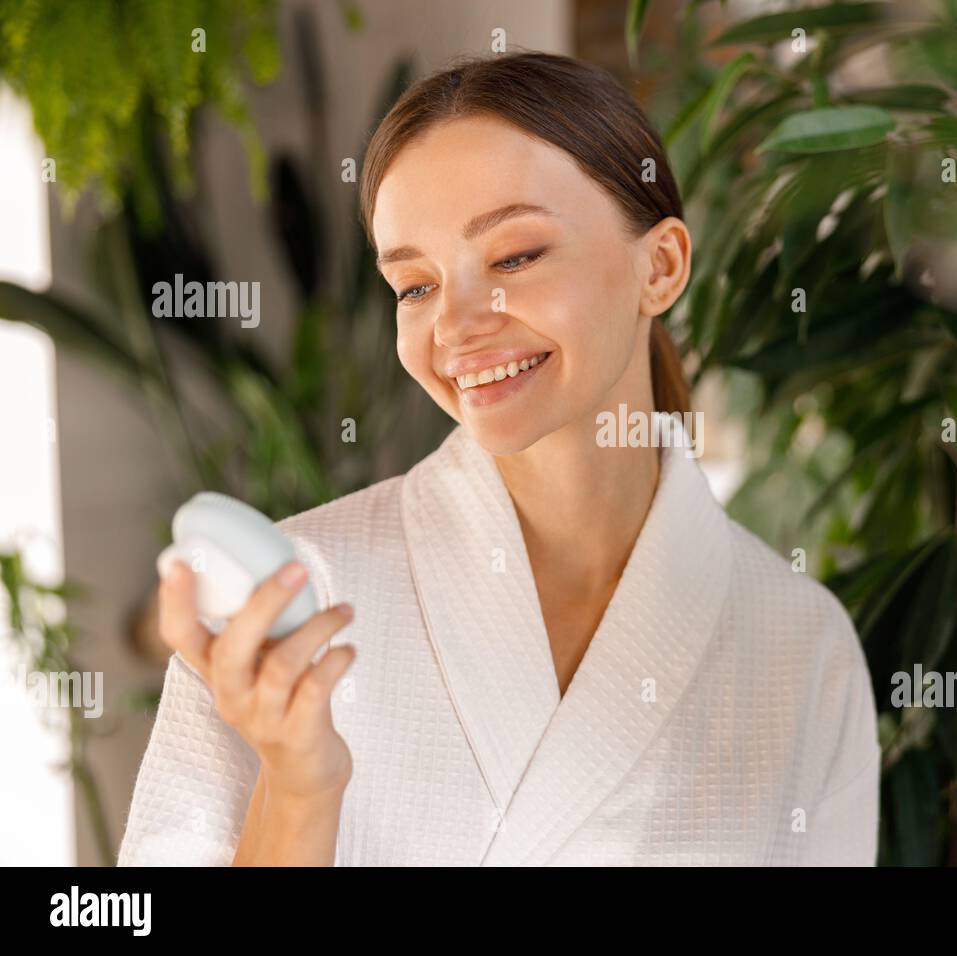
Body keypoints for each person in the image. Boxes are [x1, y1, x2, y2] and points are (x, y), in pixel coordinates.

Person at [118, 50, 879, 866]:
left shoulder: (799, 643)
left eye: (515, 257)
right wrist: (300, 789)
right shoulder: (292, 603)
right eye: (414, 287)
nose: (455, 327)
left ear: (658, 267)